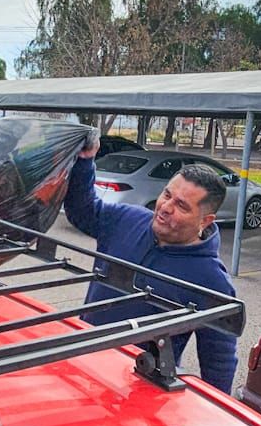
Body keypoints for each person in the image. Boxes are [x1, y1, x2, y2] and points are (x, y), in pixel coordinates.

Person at [63, 141, 239, 393]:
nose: (166, 208)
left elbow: (219, 363)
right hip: (81, 363)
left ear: (205, 220)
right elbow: (82, 210)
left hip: (136, 392)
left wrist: (218, 419)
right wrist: (84, 161)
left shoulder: (213, 281)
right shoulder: (127, 220)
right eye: (167, 195)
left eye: (182, 206)